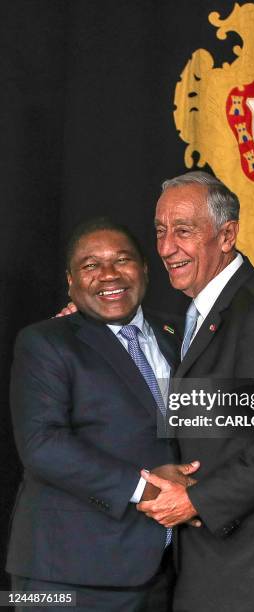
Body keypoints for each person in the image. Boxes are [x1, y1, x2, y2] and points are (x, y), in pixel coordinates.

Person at [137, 171, 254, 612]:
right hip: (215, 568)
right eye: (161, 231)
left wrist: (194, 499)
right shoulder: (199, 308)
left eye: (183, 232)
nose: (166, 248)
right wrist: (89, 321)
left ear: (227, 236)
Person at [7, 218, 199, 612]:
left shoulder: (181, 335)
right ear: (71, 281)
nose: (108, 274)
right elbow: (42, 445)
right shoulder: (44, 341)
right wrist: (150, 490)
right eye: (90, 265)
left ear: (144, 269)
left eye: (122, 260)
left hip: (165, 569)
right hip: (65, 572)